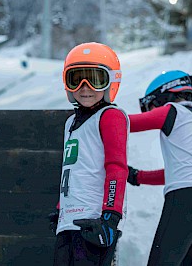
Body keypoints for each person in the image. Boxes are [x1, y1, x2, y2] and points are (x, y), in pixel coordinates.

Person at [127, 70, 192, 266]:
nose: (153, 111)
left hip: (188, 198)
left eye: (152, 106)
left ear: (165, 95)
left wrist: (100, 115)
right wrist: (137, 177)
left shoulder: (172, 111)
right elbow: (179, 170)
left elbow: (126, 123)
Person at [50, 42, 129, 265]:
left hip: (94, 221)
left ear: (110, 82)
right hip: (69, 221)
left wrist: (110, 217)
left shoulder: (110, 116)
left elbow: (117, 167)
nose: (85, 88)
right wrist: (60, 208)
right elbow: (74, 168)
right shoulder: (70, 123)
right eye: (76, 80)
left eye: (95, 80)